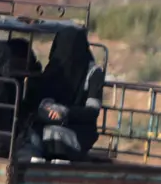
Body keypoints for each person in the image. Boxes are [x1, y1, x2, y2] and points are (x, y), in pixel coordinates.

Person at [15, 26, 104, 162]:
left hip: (79, 131)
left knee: (53, 135)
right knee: (30, 138)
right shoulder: (55, 69)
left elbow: (92, 111)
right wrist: (48, 108)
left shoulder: (93, 73)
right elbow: (39, 98)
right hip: (45, 125)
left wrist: (65, 112)